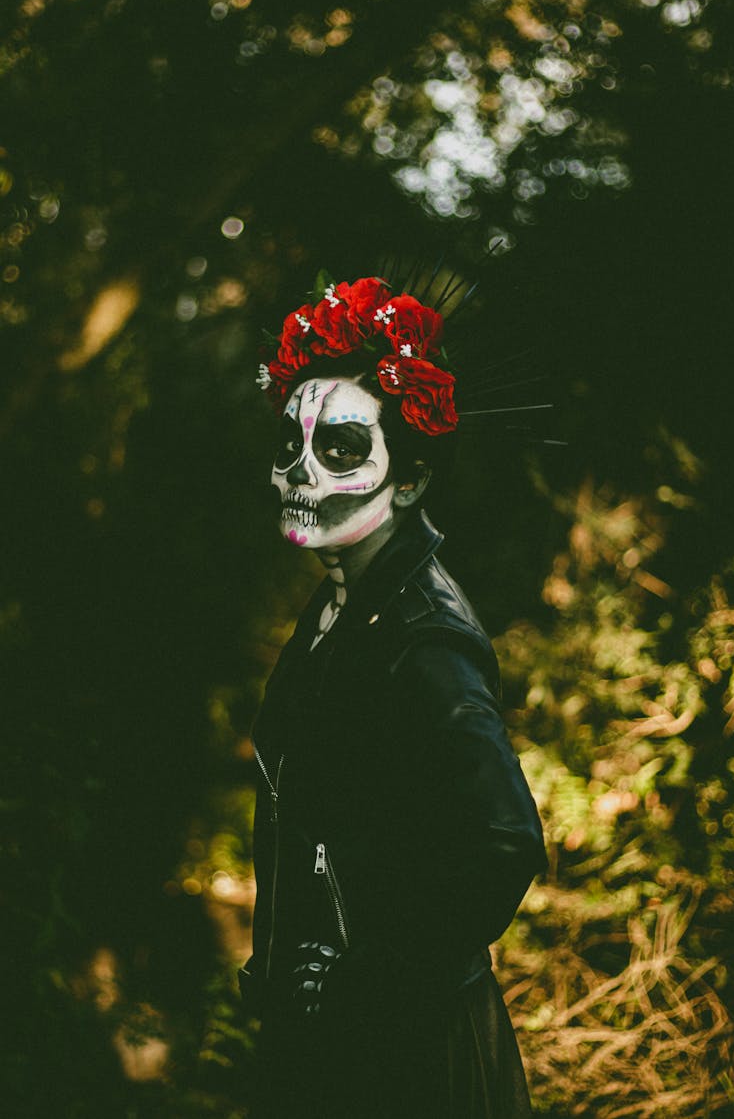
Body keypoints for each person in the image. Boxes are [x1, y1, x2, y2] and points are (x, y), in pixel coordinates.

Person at [240, 275, 547, 1119]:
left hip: (403, 1058)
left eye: (341, 447)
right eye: (291, 441)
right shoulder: (346, 598)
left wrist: (362, 971)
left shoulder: (424, 639)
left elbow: (504, 840)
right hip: (339, 1043)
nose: (301, 470)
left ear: (407, 482)